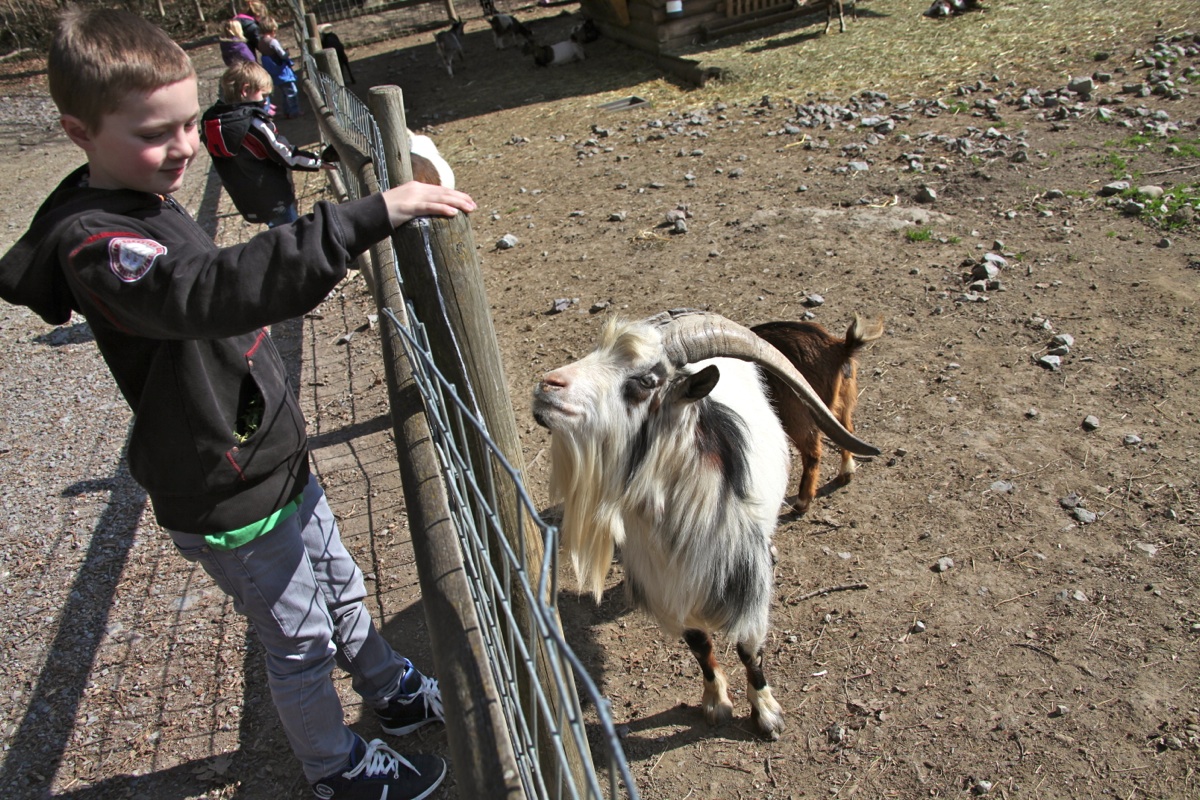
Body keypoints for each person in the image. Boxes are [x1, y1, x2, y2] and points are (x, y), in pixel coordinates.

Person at [0, 8, 476, 800]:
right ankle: (334, 768)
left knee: (340, 582)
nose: (186, 146)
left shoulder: (143, 193)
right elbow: (207, 289)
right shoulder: (98, 246)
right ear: (79, 133)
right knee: (299, 637)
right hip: (226, 491)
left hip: (269, 455)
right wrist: (363, 217)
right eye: (155, 133)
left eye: (190, 122)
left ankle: (388, 689)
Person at [202, 61, 324, 228]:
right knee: (292, 234)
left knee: (276, 232)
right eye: (263, 95)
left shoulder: (211, 121)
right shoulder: (254, 124)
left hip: (245, 197)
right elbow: (284, 153)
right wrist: (317, 161)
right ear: (245, 90)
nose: (265, 101)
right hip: (273, 195)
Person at [256, 16, 301, 119]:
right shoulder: (272, 42)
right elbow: (282, 55)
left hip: (272, 72)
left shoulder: (261, 42)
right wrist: (287, 53)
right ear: (273, 29)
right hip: (282, 71)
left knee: (284, 92)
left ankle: (287, 111)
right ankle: (294, 111)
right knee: (292, 91)